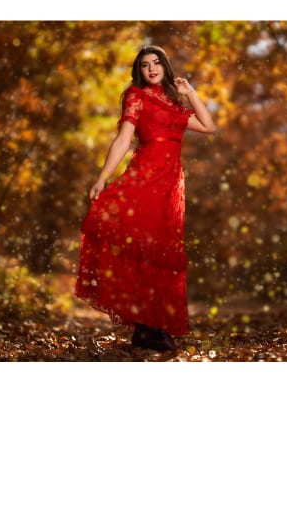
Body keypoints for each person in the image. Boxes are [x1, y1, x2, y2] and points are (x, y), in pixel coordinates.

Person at [74, 45, 216, 351]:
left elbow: (209, 126)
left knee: (161, 251)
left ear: (165, 67)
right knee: (144, 248)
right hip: (144, 179)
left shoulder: (175, 104)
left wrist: (190, 92)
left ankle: (149, 327)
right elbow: (124, 139)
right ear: (139, 71)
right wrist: (103, 177)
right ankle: (148, 326)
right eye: (144, 65)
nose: (151, 69)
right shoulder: (136, 96)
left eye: (156, 63)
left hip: (170, 186)